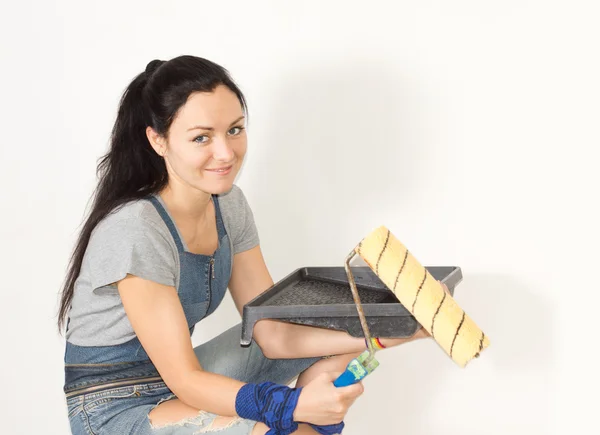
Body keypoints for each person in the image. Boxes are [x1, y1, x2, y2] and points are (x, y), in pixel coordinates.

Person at [58, 55, 433, 435]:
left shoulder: (228, 204)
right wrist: (288, 406)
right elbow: (185, 380)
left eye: (235, 130)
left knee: (344, 337)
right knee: (284, 425)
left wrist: (390, 330)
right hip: (112, 405)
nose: (225, 153)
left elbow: (271, 332)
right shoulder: (136, 228)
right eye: (201, 137)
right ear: (158, 140)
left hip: (180, 377)